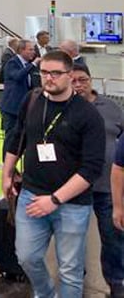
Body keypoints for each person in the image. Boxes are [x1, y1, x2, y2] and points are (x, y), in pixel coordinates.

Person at [2, 50, 105, 298]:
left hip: (72, 204)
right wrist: (7, 174)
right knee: (26, 257)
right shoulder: (32, 100)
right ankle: (46, 293)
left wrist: (55, 199)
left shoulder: (88, 115)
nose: (49, 78)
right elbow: (17, 138)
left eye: (56, 73)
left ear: (70, 75)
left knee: (70, 270)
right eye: (44, 72)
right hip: (31, 195)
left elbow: (91, 169)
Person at [72, 63, 124, 296]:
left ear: (91, 80)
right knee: (73, 238)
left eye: (83, 80)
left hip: (107, 187)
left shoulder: (111, 107)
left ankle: (116, 282)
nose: (78, 85)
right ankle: (74, 280)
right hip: (73, 188)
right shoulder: (63, 108)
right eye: (73, 81)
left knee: (113, 238)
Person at [0, 40, 40, 149]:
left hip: (25, 108)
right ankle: (7, 159)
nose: (33, 52)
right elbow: (18, 76)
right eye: (30, 49)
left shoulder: (30, 66)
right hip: (11, 108)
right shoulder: (12, 63)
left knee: (23, 138)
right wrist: (33, 64)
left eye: (33, 49)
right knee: (11, 138)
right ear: (22, 50)